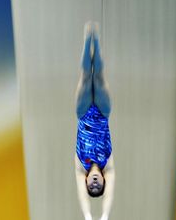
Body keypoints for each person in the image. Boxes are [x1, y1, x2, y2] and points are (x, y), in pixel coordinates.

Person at [75, 22, 115, 220]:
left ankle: (86, 40)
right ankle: (96, 41)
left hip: (82, 113)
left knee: (85, 77)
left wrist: (88, 215)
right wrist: (104, 215)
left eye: (92, 186)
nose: (95, 184)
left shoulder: (80, 165)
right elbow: (109, 193)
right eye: (99, 186)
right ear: (104, 181)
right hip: (102, 112)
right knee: (98, 77)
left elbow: (82, 196)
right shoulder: (108, 165)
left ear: (86, 180)